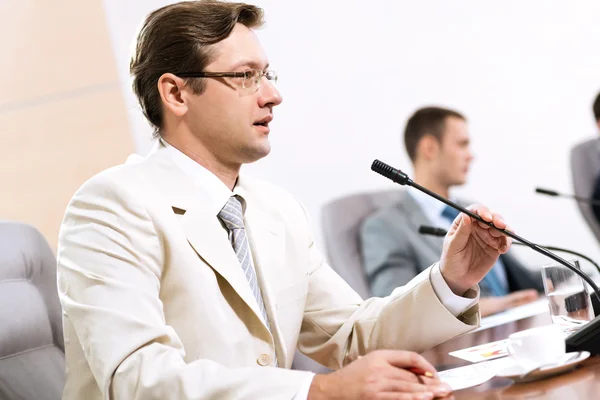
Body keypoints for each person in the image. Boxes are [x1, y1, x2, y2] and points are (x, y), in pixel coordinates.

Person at [57, 2, 513, 399]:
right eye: (245, 77)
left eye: (267, 75)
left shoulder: (275, 208)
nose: (273, 95)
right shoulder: (110, 206)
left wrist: (451, 280)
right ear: (176, 93)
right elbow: (139, 381)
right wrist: (316, 390)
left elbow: (351, 335)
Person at [360, 107, 542, 317]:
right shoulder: (385, 226)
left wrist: (570, 275)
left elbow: (523, 278)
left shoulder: (472, 209)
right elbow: (398, 311)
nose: (471, 156)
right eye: (462, 144)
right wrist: (500, 305)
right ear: (429, 148)